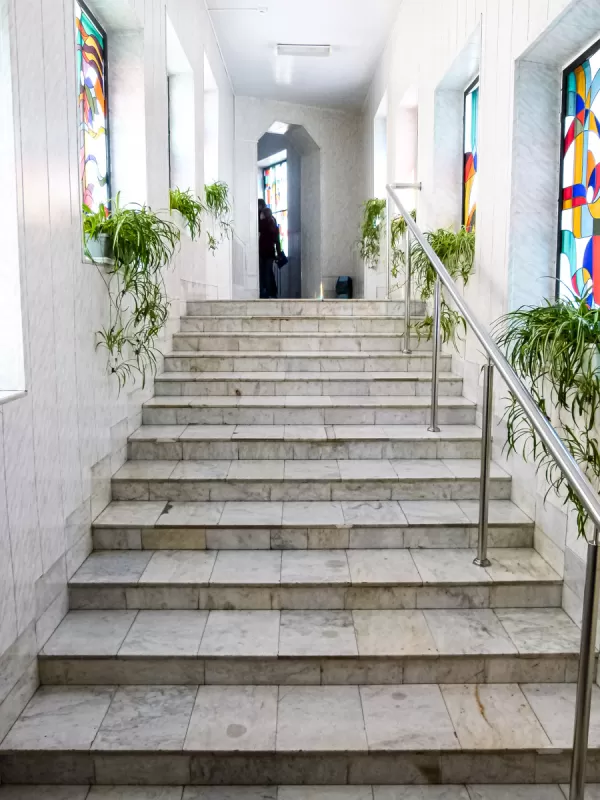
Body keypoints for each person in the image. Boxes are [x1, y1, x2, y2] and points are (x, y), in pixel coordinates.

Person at [258, 203, 281, 299]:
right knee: (268, 272)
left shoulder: (261, 224)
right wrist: (279, 254)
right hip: (271, 252)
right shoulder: (274, 226)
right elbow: (277, 241)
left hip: (262, 252)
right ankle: (270, 292)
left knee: (262, 272)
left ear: (263, 215)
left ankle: (263, 292)